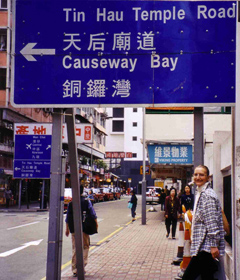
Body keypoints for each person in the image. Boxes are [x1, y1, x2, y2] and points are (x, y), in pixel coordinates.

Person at [182, 165, 225, 280]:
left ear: (208, 178)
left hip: (205, 248)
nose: (198, 177)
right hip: (202, 246)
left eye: (201, 175)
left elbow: (212, 223)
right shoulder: (200, 193)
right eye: (196, 174)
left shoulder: (207, 196)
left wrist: (214, 245)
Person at [65, 185, 98, 277]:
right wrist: (96, 223)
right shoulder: (86, 202)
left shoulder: (71, 203)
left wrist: (67, 228)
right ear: (83, 191)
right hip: (84, 228)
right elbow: (92, 214)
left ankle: (75, 269)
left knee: (75, 248)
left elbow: (68, 217)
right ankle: (82, 266)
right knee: (85, 246)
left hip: (73, 228)